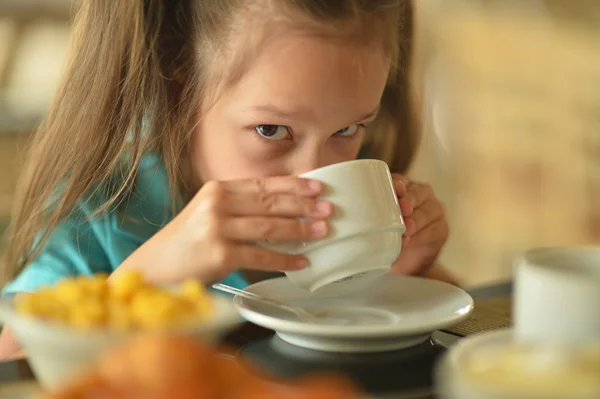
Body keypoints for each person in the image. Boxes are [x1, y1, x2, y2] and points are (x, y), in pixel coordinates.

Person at [0, 0, 454, 358]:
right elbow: (14, 365)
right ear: (182, 87)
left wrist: (406, 273)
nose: (316, 175)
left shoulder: (360, 179)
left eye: (348, 129)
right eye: (271, 131)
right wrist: (149, 279)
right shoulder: (100, 212)